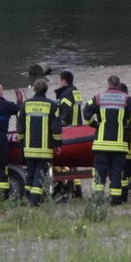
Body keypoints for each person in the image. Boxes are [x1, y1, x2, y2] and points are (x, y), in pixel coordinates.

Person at [83, 75, 131, 206]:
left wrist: (95, 124)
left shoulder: (99, 97)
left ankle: (98, 198)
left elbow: (86, 112)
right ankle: (116, 200)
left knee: (100, 171)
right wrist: (129, 127)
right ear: (118, 84)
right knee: (116, 172)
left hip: (101, 143)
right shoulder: (126, 98)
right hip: (119, 144)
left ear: (108, 84)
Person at [16, 78, 63, 206]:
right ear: (46, 89)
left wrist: (22, 141)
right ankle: (34, 202)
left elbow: (20, 127)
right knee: (40, 175)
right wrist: (58, 144)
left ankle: (25, 200)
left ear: (34, 89)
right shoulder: (52, 106)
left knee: (30, 174)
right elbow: (56, 129)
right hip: (44, 149)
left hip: (29, 148)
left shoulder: (25, 105)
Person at [55, 69, 85, 197]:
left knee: (65, 161)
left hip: (68, 129)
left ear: (64, 81)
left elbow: (65, 114)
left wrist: (56, 125)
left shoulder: (65, 94)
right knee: (73, 163)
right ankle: (77, 189)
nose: (58, 82)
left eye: (59, 79)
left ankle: (67, 188)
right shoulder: (75, 91)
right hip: (77, 127)